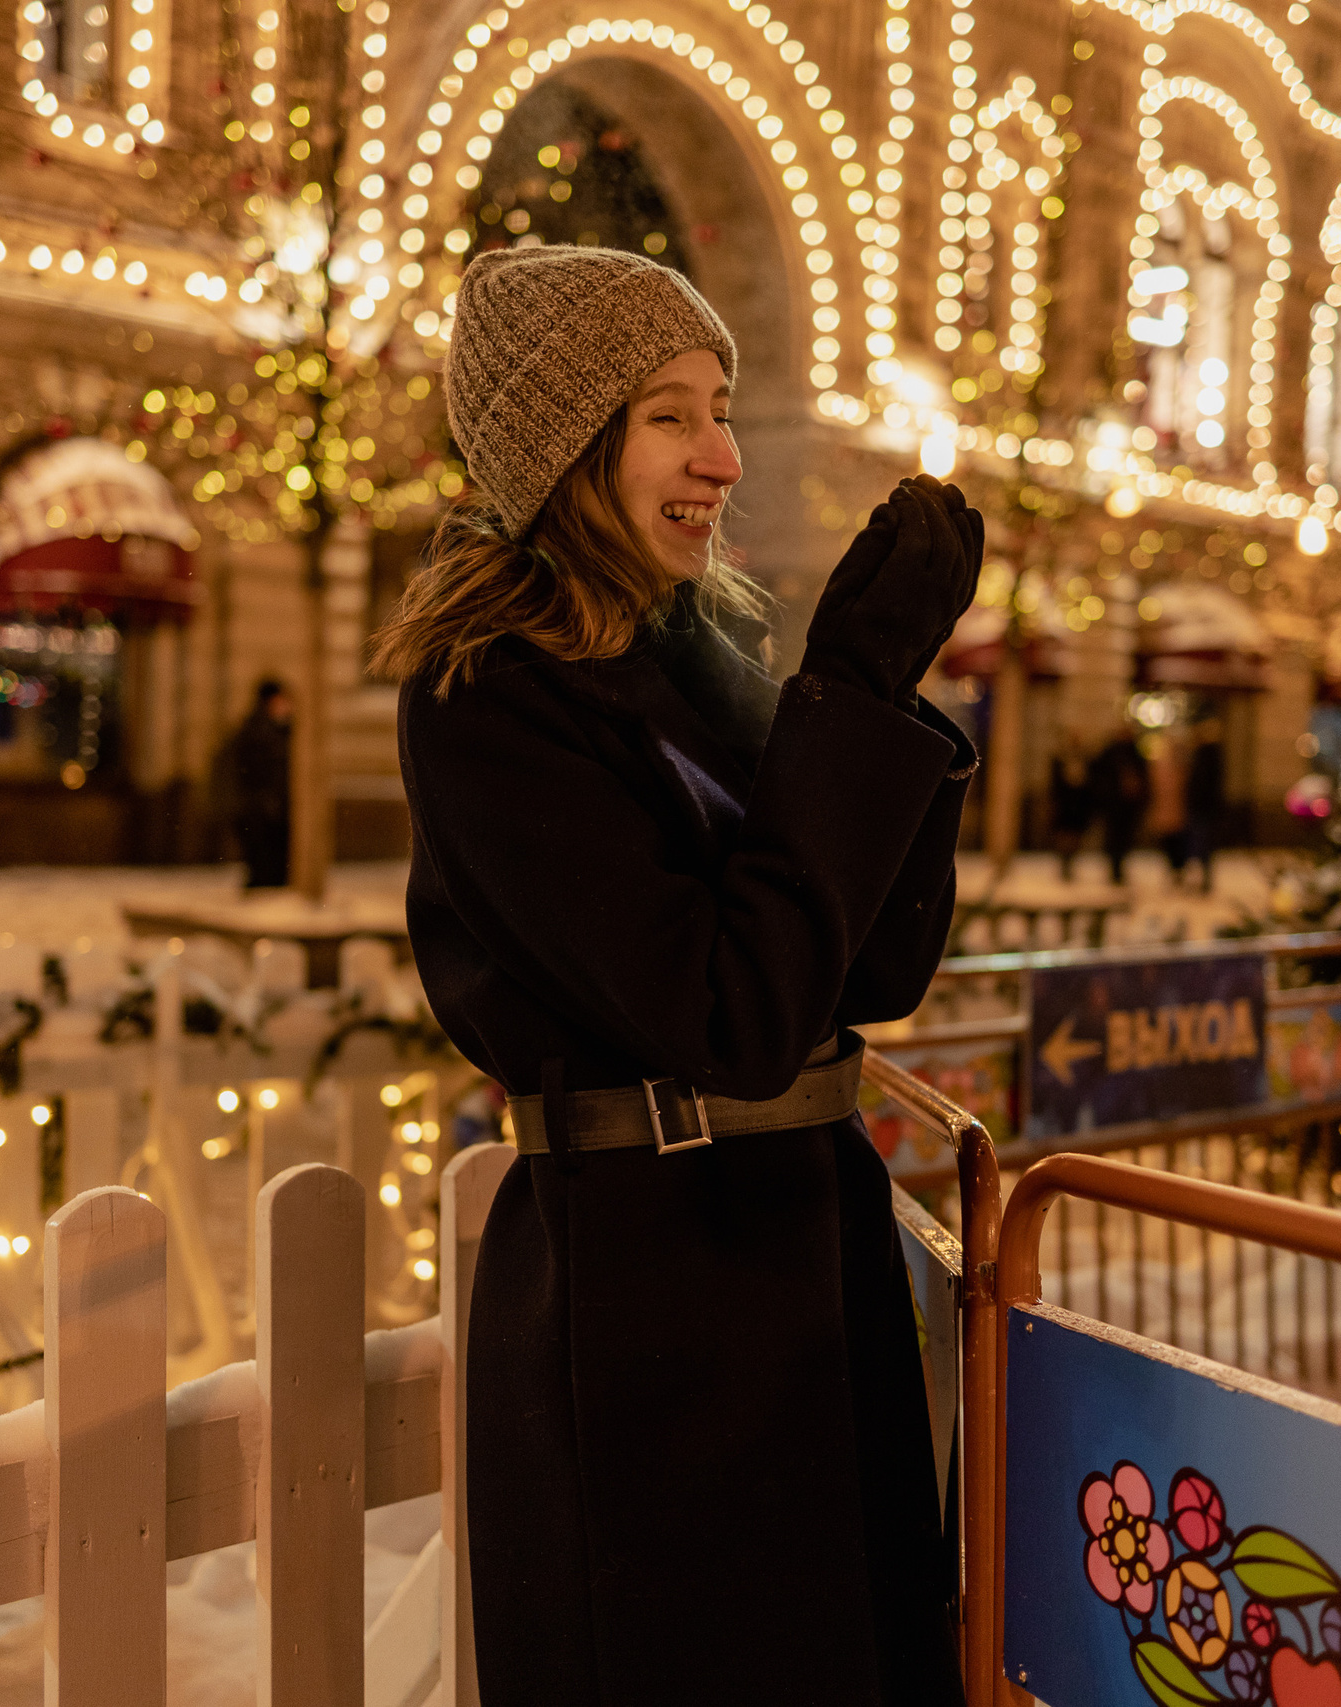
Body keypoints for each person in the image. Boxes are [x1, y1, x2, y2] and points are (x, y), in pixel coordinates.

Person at [372, 245, 979, 1707]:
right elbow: (733, 1011)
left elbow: (870, 964)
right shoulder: (493, 696)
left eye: (720, 407)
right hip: (655, 1304)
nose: (721, 455)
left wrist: (874, 695)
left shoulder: (704, 663)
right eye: (667, 414)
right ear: (568, 446)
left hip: (799, 1256)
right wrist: (842, 696)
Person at [228, 677, 294, 890]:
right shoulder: (262, 732)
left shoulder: (276, 730)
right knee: (265, 862)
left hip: (266, 807)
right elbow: (257, 773)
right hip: (263, 809)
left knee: (266, 863)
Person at [1171, 717, 1229, 894]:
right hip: (1202, 808)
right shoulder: (1206, 755)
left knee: (1199, 846)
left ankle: (1201, 879)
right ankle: (1201, 879)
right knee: (1199, 846)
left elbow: (1203, 785)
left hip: (1202, 809)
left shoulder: (1207, 755)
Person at [1090, 723, 1150, 888]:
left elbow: (1145, 779)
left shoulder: (1136, 752)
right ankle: (1114, 869)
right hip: (1113, 806)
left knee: (1125, 840)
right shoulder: (1110, 752)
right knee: (1112, 840)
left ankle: (1120, 868)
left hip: (1129, 807)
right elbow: (1099, 777)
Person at [1049, 729, 1097, 882]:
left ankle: (1070, 864)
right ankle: (1065, 864)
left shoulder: (1086, 760)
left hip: (1079, 806)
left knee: (1076, 837)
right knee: (1064, 837)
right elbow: (1054, 785)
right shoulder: (1060, 760)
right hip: (1064, 805)